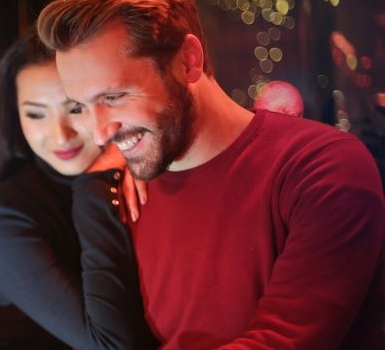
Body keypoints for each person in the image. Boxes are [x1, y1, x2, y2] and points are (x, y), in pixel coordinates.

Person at [36, 0, 385, 349]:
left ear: (188, 61)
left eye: (114, 96)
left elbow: (281, 341)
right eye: (81, 106)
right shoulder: (125, 185)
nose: (99, 134)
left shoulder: (319, 168)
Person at [0, 30, 157, 349]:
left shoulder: (139, 176)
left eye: (75, 108)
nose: (60, 135)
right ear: (16, 118)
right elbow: (111, 345)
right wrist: (98, 180)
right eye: (35, 113)